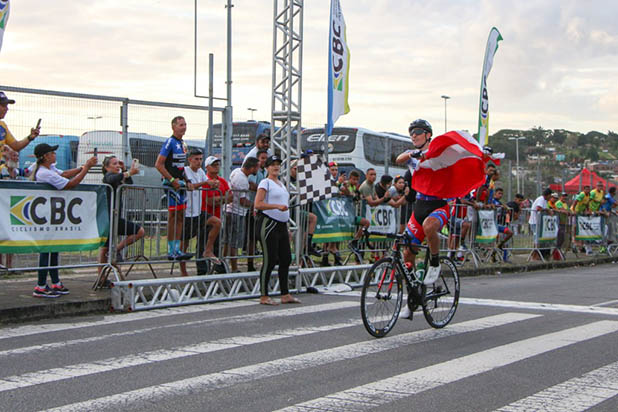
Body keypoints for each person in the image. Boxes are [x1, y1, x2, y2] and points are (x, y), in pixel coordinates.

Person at [30, 143, 97, 297]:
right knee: (46, 250)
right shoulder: (44, 173)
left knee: (54, 249)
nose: (55, 155)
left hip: (52, 215)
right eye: (52, 153)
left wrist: (83, 167)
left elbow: (65, 173)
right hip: (45, 215)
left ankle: (55, 282)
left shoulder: (50, 169)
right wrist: (86, 168)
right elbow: (70, 183)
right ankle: (40, 285)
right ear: (46, 156)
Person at [399, 119, 449, 285]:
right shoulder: (412, 154)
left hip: (438, 205)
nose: (414, 135)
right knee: (407, 253)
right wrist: (413, 154)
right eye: (411, 132)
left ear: (428, 135)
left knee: (429, 226)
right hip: (420, 205)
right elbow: (398, 159)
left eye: (418, 132)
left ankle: (435, 262)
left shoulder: (437, 152)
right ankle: (413, 291)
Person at [254, 155, 300, 305]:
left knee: (286, 258)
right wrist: (276, 206)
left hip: (281, 224)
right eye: (272, 165)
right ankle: (264, 295)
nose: (276, 167)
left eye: (278, 164)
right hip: (269, 223)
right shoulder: (265, 182)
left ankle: (285, 293)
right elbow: (258, 204)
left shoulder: (281, 184)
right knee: (270, 259)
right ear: (266, 167)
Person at [99, 156, 146, 283]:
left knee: (138, 232)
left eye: (118, 164)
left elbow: (129, 184)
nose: (117, 166)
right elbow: (111, 178)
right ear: (107, 167)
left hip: (116, 216)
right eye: (114, 164)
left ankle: (114, 251)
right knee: (104, 247)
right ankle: (102, 277)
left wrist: (125, 170)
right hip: (109, 217)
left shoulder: (118, 177)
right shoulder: (108, 177)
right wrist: (128, 172)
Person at [155, 116, 193, 260]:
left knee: (180, 216)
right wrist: (171, 179)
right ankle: (171, 250)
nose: (183, 127)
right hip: (170, 185)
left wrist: (187, 180)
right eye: (181, 125)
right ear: (173, 127)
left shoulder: (183, 143)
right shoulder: (170, 142)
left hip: (181, 185)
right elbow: (158, 164)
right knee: (173, 217)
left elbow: (181, 167)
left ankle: (177, 249)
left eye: (185, 124)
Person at [180, 149, 222, 276]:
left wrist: (214, 184)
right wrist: (206, 182)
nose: (199, 162)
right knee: (184, 244)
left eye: (200, 159)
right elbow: (191, 186)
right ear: (190, 160)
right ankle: (183, 272)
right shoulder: (185, 171)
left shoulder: (201, 172)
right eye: (196, 159)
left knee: (217, 223)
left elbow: (207, 185)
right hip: (187, 213)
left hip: (198, 212)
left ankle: (208, 250)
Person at [224, 156, 259, 272]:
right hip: (236, 212)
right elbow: (242, 201)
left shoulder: (237, 172)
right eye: (257, 167)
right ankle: (233, 267)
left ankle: (224, 264)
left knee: (228, 240)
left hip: (231, 211)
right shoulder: (242, 179)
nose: (258, 170)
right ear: (252, 168)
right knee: (234, 242)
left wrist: (251, 186)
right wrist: (256, 205)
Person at [199, 155, 231, 274]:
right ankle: (202, 271)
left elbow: (231, 197)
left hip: (217, 216)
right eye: (214, 165)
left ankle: (218, 269)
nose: (216, 167)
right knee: (202, 244)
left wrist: (218, 198)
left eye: (218, 164)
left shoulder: (222, 181)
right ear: (207, 167)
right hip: (204, 216)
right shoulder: (205, 180)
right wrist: (222, 198)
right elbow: (208, 201)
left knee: (217, 245)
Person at [247, 149, 269, 271]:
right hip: (252, 206)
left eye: (266, 158)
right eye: (262, 158)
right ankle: (250, 263)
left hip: (263, 207)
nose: (264, 161)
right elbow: (250, 184)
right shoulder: (254, 172)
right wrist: (263, 189)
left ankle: (266, 259)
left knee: (263, 235)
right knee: (252, 237)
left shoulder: (265, 171)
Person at [528, 188, 553, 260]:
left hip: (538, 222)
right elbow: (538, 208)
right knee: (537, 239)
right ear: (547, 195)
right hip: (535, 222)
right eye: (550, 196)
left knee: (538, 239)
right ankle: (535, 255)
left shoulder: (544, 201)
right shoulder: (541, 199)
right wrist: (547, 210)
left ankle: (537, 254)